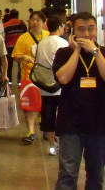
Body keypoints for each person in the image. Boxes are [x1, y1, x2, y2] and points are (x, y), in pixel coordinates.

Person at [52, 11, 105, 190]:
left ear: (96, 30)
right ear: (73, 32)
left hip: (99, 124)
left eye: (91, 29)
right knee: (67, 175)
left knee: (96, 176)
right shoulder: (63, 53)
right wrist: (76, 51)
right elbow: (63, 78)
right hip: (70, 124)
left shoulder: (102, 52)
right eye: (81, 29)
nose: (87, 34)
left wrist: (95, 52)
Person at [11, 10, 48, 144]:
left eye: (38, 20)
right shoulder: (23, 38)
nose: (35, 22)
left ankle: (46, 129)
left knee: (45, 104)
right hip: (28, 76)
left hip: (45, 76)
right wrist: (24, 57)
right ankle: (31, 131)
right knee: (28, 105)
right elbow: (15, 56)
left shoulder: (48, 36)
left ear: (43, 22)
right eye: (33, 19)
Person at [36, 15, 68, 157]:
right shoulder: (63, 43)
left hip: (44, 84)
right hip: (59, 84)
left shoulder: (42, 43)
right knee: (61, 113)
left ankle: (51, 143)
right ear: (60, 27)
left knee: (47, 113)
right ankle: (61, 142)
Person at [3, 9, 28, 80]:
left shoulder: (6, 25)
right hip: (20, 46)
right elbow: (25, 34)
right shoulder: (22, 23)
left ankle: (9, 80)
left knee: (9, 65)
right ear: (17, 15)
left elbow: (4, 36)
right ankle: (19, 80)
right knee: (20, 65)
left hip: (9, 47)